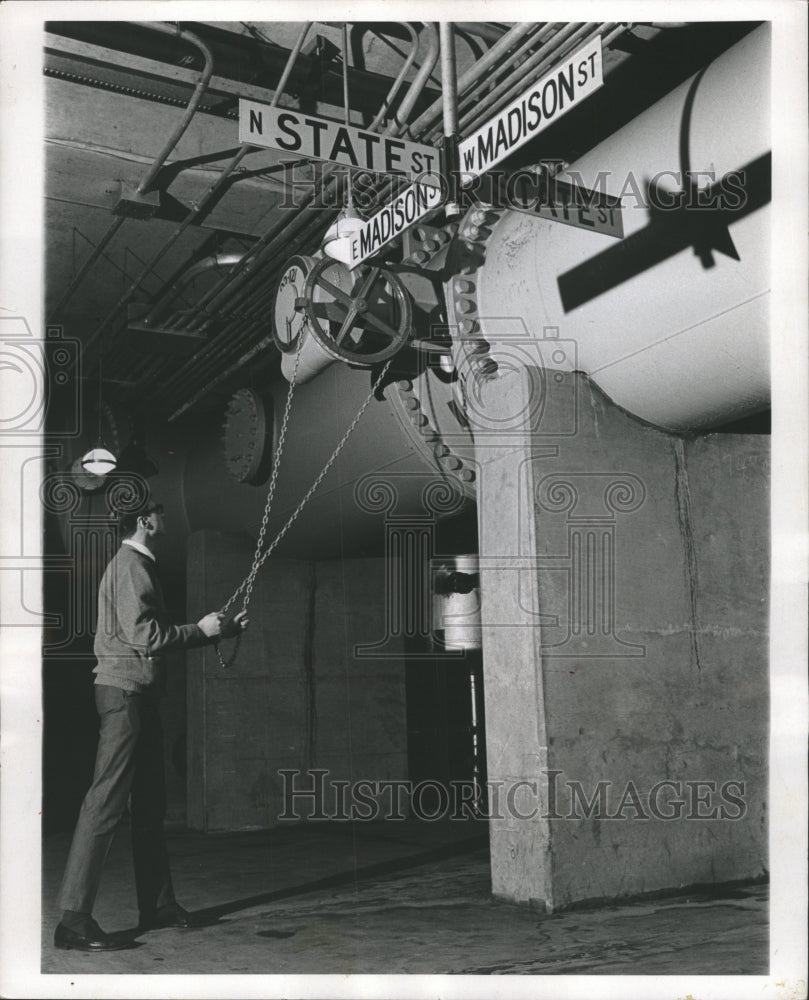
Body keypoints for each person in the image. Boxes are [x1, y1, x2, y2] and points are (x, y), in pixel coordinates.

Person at [54, 499, 248, 952]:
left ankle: (158, 906)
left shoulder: (139, 564)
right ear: (144, 520)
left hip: (139, 695)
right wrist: (201, 631)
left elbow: (147, 636)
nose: (167, 517)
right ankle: (73, 920)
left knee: (148, 806)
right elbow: (146, 636)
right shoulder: (130, 565)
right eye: (160, 511)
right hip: (125, 697)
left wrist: (220, 630)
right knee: (105, 803)